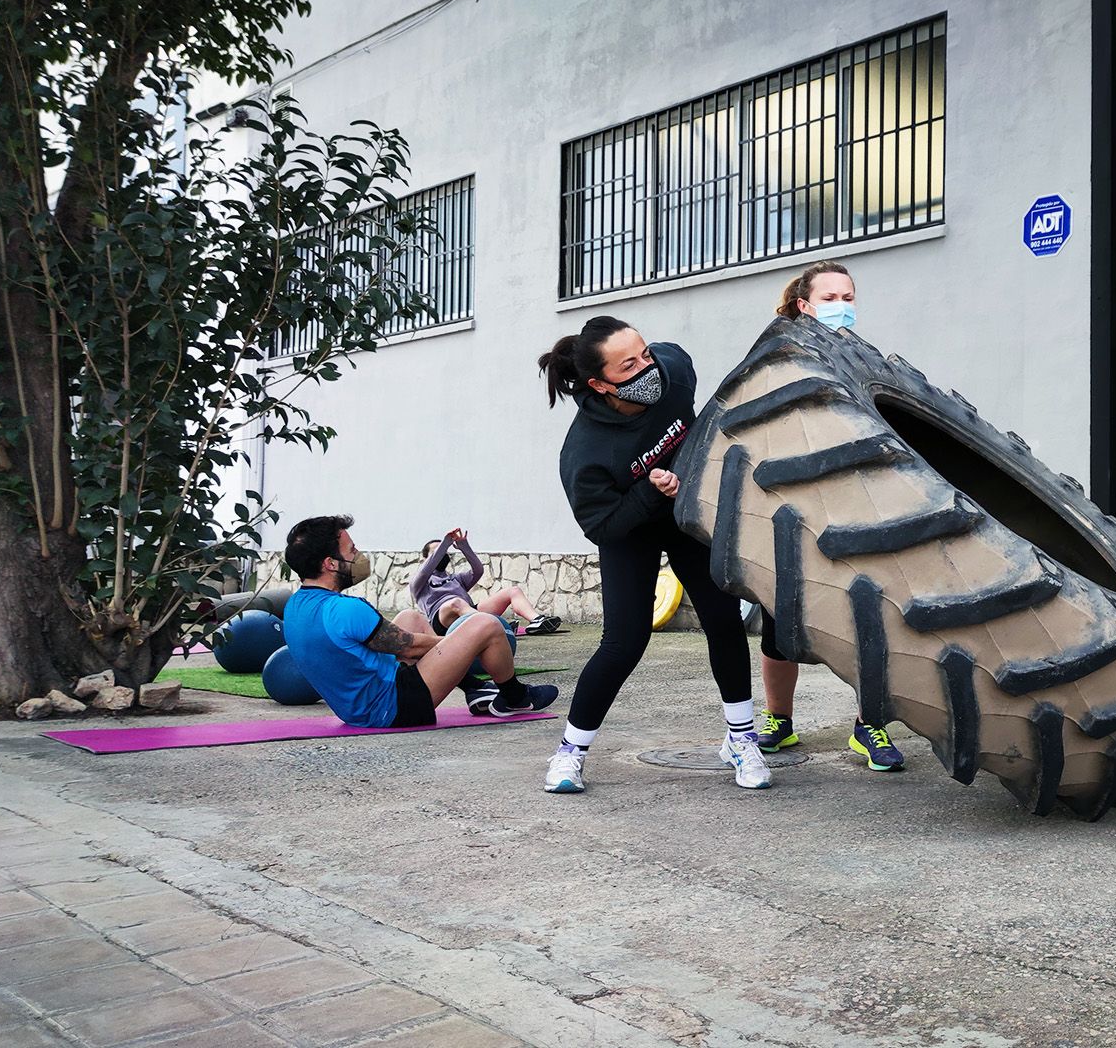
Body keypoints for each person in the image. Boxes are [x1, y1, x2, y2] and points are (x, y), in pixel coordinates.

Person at [536, 315, 770, 793]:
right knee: (625, 642)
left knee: (724, 621)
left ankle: (741, 740)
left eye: (644, 353)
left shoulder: (673, 370)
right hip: (628, 530)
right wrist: (648, 491)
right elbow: (600, 525)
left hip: (684, 517)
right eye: (630, 365)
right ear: (601, 384)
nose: (648, 368)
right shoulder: (586, 450)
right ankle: (570, 753)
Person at [751, 260, 906, 771]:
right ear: (804, 304)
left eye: (849, 296)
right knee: (779, 623)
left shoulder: (861, 359)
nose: (843, 305)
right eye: (831, 297)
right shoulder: (780, 356)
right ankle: (779, 721)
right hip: (793, 505)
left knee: (871, 623)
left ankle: (870, 727)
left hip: (858, 507)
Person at [281, 514, 556, 726]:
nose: (358, 555)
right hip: (395, 707)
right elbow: (409, 648)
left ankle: (473, 688)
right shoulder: (344, 609)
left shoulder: (295, 606)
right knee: (484, 625)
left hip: (358, 708)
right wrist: (464, 643)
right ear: (330, 564)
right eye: (352, 551)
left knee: (410, 617)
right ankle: (515, 698)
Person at [412, 528, 562, 635]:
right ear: (426, 558)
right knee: (456, 603)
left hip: (469, 613)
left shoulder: (455, 579)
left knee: (512, 591)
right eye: (437, 552)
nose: (442, 554)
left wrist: (464, 547)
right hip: (443, 621)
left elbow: (478, 571)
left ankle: (537, 621)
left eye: (444, 552)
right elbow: (426, 570)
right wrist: (444, 544)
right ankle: (498, 627)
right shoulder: (419, 583)